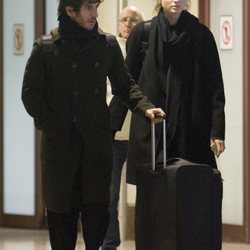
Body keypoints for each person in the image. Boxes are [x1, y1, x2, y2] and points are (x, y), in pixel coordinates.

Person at [21, 1, 165, 250]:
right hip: (59, 150)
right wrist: (51, 125)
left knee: (97, 215)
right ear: (70, 10)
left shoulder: (106, 44)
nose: (95, 14)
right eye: (88, 8)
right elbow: (30, 94)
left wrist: (144, 106)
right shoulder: (45, 47)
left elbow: (124, 84)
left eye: (96, 7)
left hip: (96, 148)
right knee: (61, 218)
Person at [109, 0, 226, 186]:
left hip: (190, 128)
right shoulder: (142, 33)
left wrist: (217, 131)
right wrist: (110, 128)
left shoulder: (201, 35)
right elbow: (126, 83)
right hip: (150, 128)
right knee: (152, 197)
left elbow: (214, 86)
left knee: (188, 193)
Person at [102, 6, 144, 250]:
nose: (128, 24)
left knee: (148, 193)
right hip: (114, 133)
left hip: (140, 134)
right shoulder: (109, 49)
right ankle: (109, 243)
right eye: (124, 19)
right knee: (109, 195)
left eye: (133, 20)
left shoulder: (146, 48)